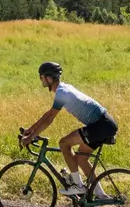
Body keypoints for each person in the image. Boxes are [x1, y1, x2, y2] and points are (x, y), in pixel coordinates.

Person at [18, 61, 117, 198]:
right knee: (81, 159)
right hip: (105, 123)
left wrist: (31, 137)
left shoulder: (62, 92)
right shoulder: (64, 88)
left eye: (41, 77)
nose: (40, 80)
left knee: (64, 143)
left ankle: (78, 186)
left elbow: (49, 118)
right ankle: (101, 195)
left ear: (48, 78)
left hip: (100, 125)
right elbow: (47, 115)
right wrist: (31, 129)